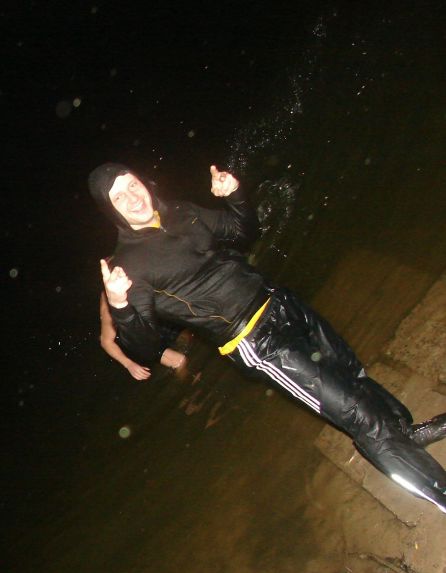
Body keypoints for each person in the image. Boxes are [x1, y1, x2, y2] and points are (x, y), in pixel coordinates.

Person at [88, 162, 446, 513]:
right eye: (119, 197)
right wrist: (120, 306)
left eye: (132, 184)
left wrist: (235, 196)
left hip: (281, 302)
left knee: (352, 372)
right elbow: (148, 347)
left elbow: (243, 233)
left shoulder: (181, 212)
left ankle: (407, 435)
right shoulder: (130, 265)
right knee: (358, 415)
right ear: (111, 210)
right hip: (256, 343)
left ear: (144, 182)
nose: (132, 197)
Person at [99, 290, 187, 380]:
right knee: (180, 361)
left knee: (188, 338)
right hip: (142, 338)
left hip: (159, 321)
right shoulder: (110, 297)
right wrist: (129, 364)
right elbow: (106, 341)